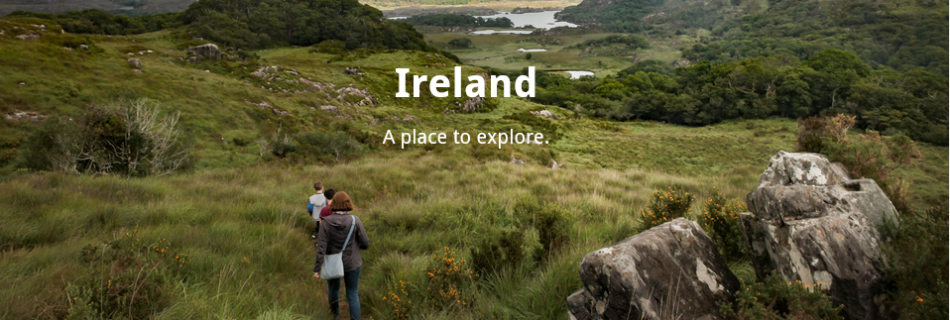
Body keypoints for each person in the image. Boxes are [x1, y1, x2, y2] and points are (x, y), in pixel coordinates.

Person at [314, 192, 369, 320]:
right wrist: (356, 248)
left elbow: (321, 247)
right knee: (352, 294)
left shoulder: (326, 222)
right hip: (352, 262)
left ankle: (334, 315)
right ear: (348, 203)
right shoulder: (355, 220)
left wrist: (317, 268)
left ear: (333, 204)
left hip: (332, 262)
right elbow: (365, 243)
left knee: (333, 290)